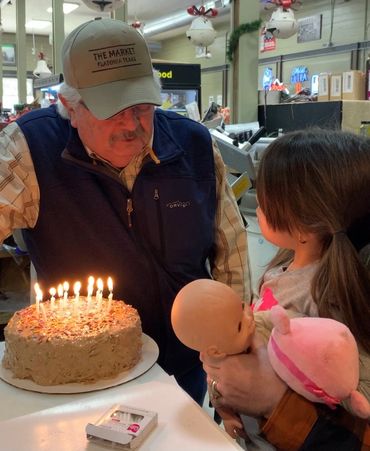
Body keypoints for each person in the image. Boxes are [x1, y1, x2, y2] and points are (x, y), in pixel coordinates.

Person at [0, 18, 251, 405]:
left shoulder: (193, 144)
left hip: (183, 367)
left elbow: (230, 253)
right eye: (112, 110)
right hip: (77, 378)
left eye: (142, 106)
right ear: (69, 104)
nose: (132, 125)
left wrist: (233, 350)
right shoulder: (28, 150)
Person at [202, 129, 370, 449]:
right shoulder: (283, 269)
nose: (259, 206)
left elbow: (347, 393)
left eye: (266, 200)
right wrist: (226, 391)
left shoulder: (326, 297)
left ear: (304, 226)